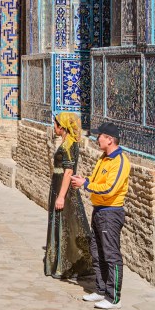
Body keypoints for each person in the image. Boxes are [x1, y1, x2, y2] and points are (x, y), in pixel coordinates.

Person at [71, 121, 131, 310]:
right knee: (97, 252)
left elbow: (110, 189)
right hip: (99, 211)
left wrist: (86, 185)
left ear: (110, 139)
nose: (97, 139)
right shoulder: (103, 158)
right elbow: (98, 181)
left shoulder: (120, 161)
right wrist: (85, 180)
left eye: (100, 136)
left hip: (111, 212)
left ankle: (114, 297)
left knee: (111, 254)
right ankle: (101, 289)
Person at [44, 113, 92, 280]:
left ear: (62, 127)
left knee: (67, 224)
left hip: (64, 189)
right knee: (61, 222)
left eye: (55, 125)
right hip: (58, 186)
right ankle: (60, 261)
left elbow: (69, 171)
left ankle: (67, 265)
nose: (54, 127)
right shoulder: (66, 142)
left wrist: (61, 196)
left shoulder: (70, 144)